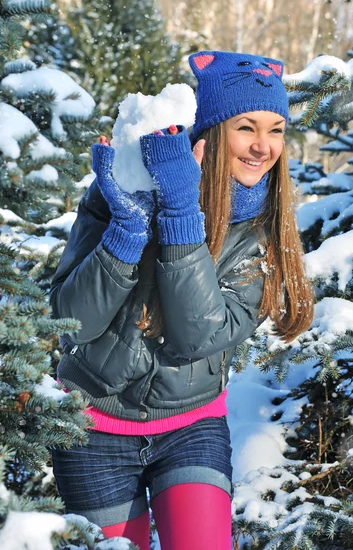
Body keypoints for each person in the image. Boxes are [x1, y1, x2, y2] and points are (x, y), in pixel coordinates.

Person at [49, 50, 314, 550]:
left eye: (276, 129)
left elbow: (199, 336)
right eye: (247, 127)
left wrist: (180, 212)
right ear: (211, 132)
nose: (263, 146)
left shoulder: (263, 233)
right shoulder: (126, 190)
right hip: (93, 429)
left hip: (192, 428)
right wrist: (127, 231)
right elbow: (69, 324)